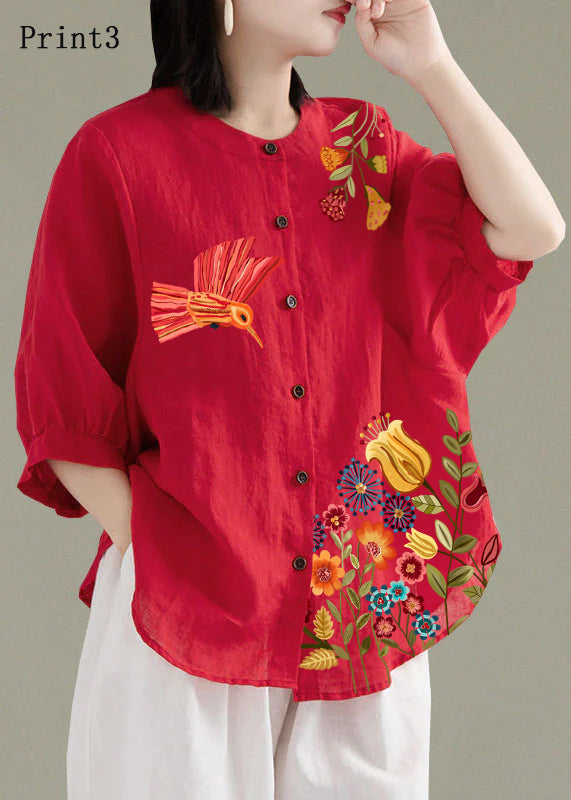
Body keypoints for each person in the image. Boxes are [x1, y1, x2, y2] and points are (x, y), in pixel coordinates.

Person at [13, 1, 565, 798]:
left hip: (360, 611)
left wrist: (431, 66)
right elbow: (64, 397)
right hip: (184, 616)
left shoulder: (362, 151)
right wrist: (158, 548)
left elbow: (530, 230)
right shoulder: (118, 155)